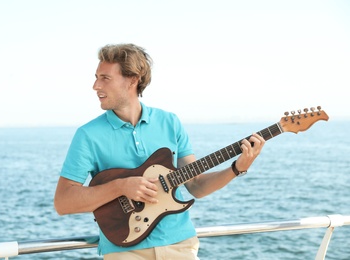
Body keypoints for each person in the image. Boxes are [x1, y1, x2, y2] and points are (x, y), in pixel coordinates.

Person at [54, 43, 266, 259]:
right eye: (96, 77)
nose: (95, 85)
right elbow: (63, 202)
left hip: (181, 245)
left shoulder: (170, 122)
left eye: (105, 78)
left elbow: (196, 185)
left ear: (133, 79)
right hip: (125, 251)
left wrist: (236, 169)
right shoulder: (88, 135)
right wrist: (121, 187)